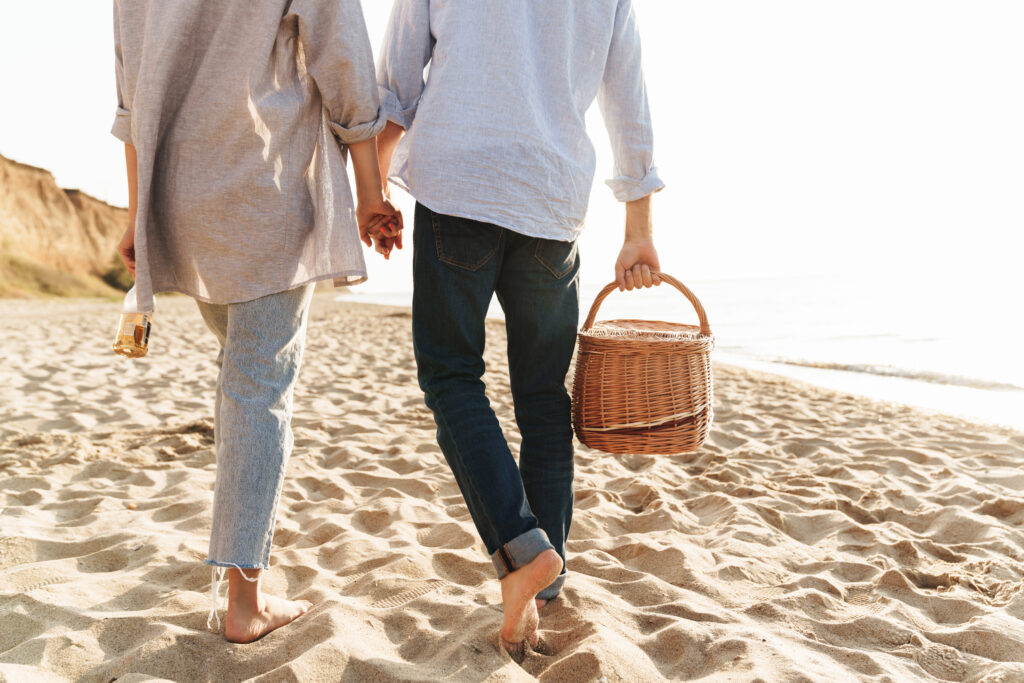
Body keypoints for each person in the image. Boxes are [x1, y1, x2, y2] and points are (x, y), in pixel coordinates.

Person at [376, 0, 664, 657]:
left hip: (460, 184)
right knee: (542, 397)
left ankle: (521, 548)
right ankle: (544, 577)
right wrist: (639, 229)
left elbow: (396, 80)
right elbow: (628, 92)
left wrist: (376, 186)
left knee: (451, 376)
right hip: (552, 195)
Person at [111, 0, 402, 643]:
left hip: (179, 195)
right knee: (258, 387)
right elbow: (344, 60)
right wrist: (370, 191)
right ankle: (245, 603)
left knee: (244, 376)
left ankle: (241, 582)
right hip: (263, 188)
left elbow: (131, 96)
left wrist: (137, 214)